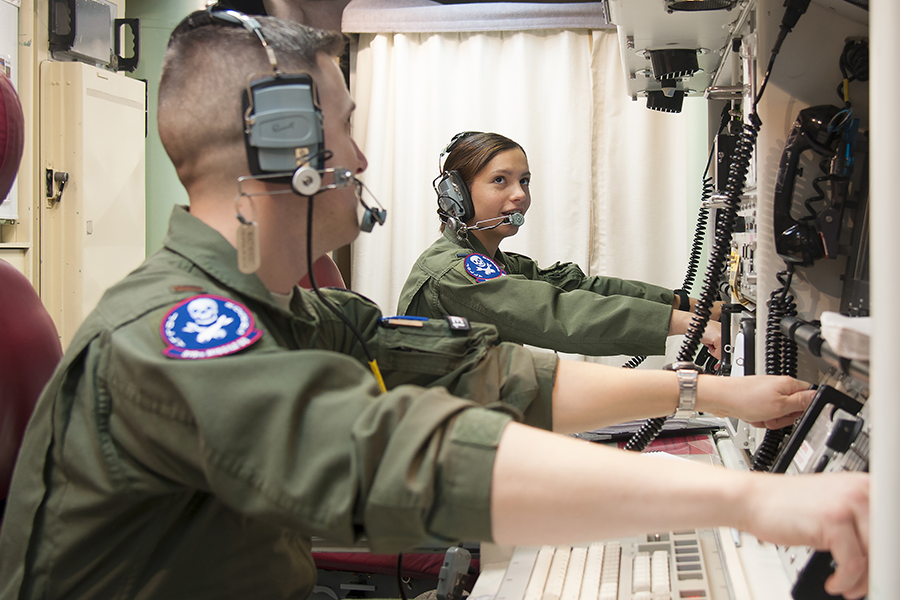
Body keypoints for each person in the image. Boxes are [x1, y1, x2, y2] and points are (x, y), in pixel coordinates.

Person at [0, 9, 868, 600]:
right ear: (283, 147)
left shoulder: (294, 310)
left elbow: (488, 369)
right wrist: (744, 505)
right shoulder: (172, 335)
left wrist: (706, 394)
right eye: (345, 128)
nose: (366, 158)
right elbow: (394, 453)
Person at [398, 131, 723, 359]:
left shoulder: (499, 264)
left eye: (524, 181)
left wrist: (696, 308)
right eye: (501, 180)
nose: (520, 194)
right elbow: (558, 314)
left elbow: (584, 289)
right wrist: (691, 325)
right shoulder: (455, 272)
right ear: (457, 194)